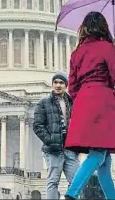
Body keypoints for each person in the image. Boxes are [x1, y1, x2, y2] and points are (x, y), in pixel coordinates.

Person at [62, 12, 115, 200]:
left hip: (83, 103)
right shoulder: (107, 48)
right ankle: (72, 194)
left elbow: (72, 87)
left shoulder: (76, 53)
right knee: (98, 153)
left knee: (105, 162)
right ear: (103, 27)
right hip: (103, 102)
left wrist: (85, 97)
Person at [33, 72, 79, 200]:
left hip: (70, 148)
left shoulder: (72, 102)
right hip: (53, 149)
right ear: (53, 84)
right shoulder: (43, 102)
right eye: (56, 82)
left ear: (66, 85)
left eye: (61, 83)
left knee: (76, 181)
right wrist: (50, 140)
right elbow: (37, 126)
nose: (58, 85)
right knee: (53, 181)